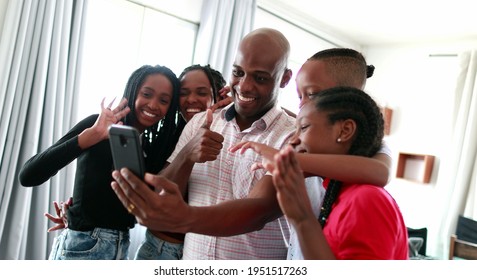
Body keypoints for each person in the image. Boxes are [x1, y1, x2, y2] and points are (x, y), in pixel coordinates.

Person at [111, 27, 296, 259]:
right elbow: (163, 191)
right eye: (238, 73)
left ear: (285, 79)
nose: (245, 86)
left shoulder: (292, 136)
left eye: (260, 78)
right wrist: (187, 154)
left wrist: (184, 218)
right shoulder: (200, 122)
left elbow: (260, 210)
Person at [44, 64, 228, 260]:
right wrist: (78, 212)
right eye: (184, 93)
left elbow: (138, 198)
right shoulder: (101, 127)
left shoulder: (157, 143)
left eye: (164, 100)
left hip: (137, 246)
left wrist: (237, 109)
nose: (154, 105)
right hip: (117, 244)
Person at [229, 48, 393, 259]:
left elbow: (380, 173)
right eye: (300, 96)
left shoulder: (371, 148)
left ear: (347, 95)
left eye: (312, 94)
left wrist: (289, 160)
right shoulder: (306, 139)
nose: (303, 104)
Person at [19, 64, 181, 260]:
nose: (154, 105)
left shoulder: (151, 147)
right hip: (84, 245)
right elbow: (29, 175)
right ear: (132, 91)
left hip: (119, 247)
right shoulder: (96, 125)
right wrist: (91, 136)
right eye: (147, 94)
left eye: (163, 100)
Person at [270, 87, 408, 259]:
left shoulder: (367, 199)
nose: (292, 140)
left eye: (304, 127)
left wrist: (303, 219)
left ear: (345, 131)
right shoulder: (335, 192)